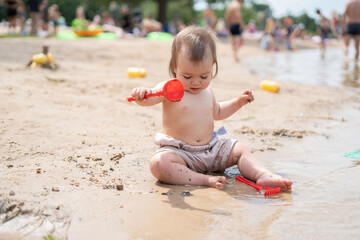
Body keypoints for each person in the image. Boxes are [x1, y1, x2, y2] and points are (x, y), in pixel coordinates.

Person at [128, 26, 293, 191]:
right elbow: (149, 99)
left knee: (240, 148)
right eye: (187, 76)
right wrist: (142, 95)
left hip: (211, 150)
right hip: (180, 154)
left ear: (212, 66)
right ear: (175, 67)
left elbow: (218, 112)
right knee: (159, 164)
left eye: (204, 76)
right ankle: (204, 180)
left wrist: (237, 102)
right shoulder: (169, 88)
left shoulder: (207, 92)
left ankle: (262, 175)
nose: (196, 82)